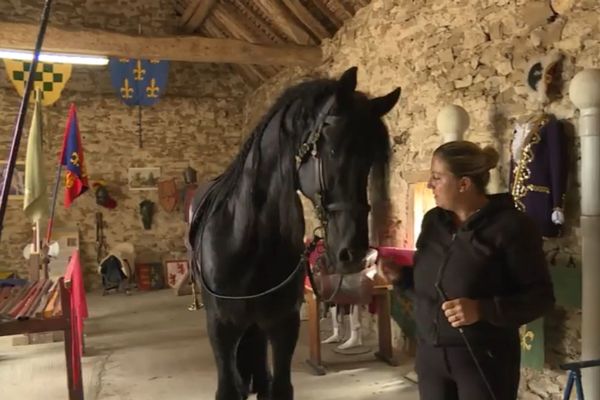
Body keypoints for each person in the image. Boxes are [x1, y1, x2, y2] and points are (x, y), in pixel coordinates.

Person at [381, 140, 555, 400]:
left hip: (484, 358)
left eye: (437, 178)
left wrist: (482, 309)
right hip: (430, 357)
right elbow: (431, 284)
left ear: (464, 184)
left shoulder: (512, 227)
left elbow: (541, 298)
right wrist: (401, 278)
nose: (430, 185)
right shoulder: (433, 222)